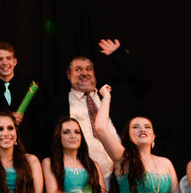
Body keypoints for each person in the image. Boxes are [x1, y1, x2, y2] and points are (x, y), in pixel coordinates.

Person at [50, 39, 151, 173]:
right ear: (69, 74)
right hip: (84, 175)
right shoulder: (58, 104)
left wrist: (118, 55)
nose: (84, 73)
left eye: (89, 69)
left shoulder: (114, 94)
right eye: (78, 69)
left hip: (123, 173)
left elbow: (143, 82)